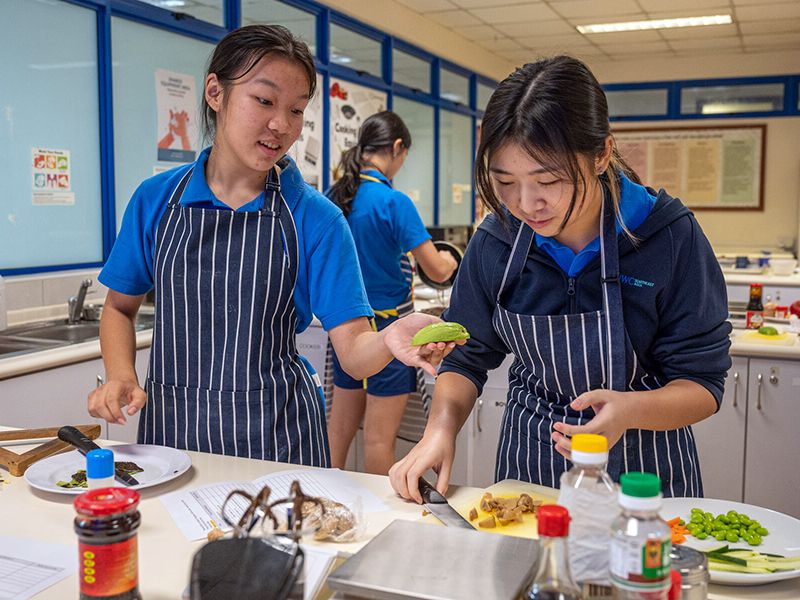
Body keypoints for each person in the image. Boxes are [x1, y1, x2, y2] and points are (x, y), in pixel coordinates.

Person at [88, 25, 458, 467]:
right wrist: (121, 375)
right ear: (215, 92)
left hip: (280, 445)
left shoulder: (316, 218)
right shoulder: (156, 201)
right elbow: (118, 308)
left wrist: (391, 338)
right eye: (264, 101)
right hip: (173, 439)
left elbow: (355, 353)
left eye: (297, 110)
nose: (281, 125)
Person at [389, 55, 732, 501]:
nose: (527, 204)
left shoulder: (669, 236)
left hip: (645, 480)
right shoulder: (497, 240)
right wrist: (440, 427)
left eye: (547, 179)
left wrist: (629, 410)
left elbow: (703, 384)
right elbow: (466, 358)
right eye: (505, 181)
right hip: (529, 471)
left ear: (601, 155)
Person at [325, 111, 459, 474]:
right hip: (388, 335)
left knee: (337, 434)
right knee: (380, 442)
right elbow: (435, 269)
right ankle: (378, 526)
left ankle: (319, 507)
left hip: (346, 333)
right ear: (397, 148)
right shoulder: (393, 202)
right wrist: (449, 258)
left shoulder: (335, 196)